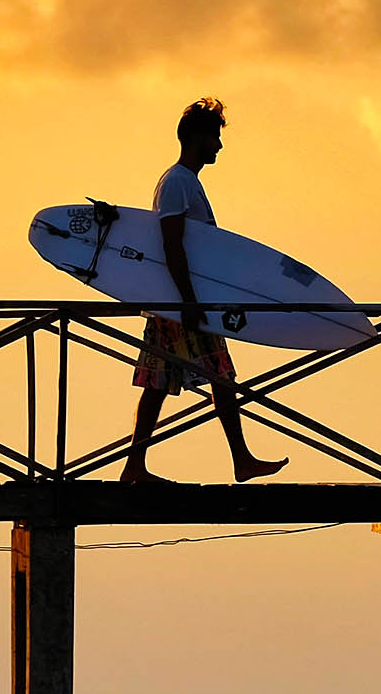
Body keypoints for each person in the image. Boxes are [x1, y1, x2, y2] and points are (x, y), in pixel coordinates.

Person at [122, 98, 287, 484]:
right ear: (196, 137)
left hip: (181, 302)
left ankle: (135, 467)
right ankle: (238, 460)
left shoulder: (185, 182)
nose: (219, 145)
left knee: (167, 382)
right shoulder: (178, 182)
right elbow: (172, 244)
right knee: (207, 379)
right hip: (184, 304)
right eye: (214, 136)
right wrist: (190, 302)